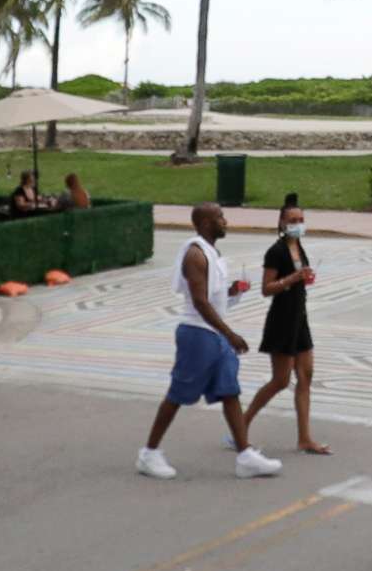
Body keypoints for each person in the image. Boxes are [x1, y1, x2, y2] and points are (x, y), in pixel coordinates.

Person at [136, 205, 284, 481]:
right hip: (197, 334)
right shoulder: (195, 254)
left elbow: (213, 296)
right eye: (220, 218)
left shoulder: (212, 253)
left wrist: (232, 291)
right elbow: (200, 302)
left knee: (230, 391)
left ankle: (245, 455)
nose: (225, 222)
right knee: (178, 394)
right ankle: (149, 453)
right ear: (205, 223)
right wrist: (230, 334)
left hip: (214, 335)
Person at [242, 194, 328, 455]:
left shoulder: (299, 247)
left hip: (300, 319)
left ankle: (305, 438)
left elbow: (298, 278)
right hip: (281, 320)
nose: (298, 224)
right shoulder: (276, 251)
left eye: (301, 220)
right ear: (281, 223)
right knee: (280, 381)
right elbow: (266, 289)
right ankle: (240, 425)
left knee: (306, 377)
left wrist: (304, 278)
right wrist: (292, 278)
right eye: (292, 220)